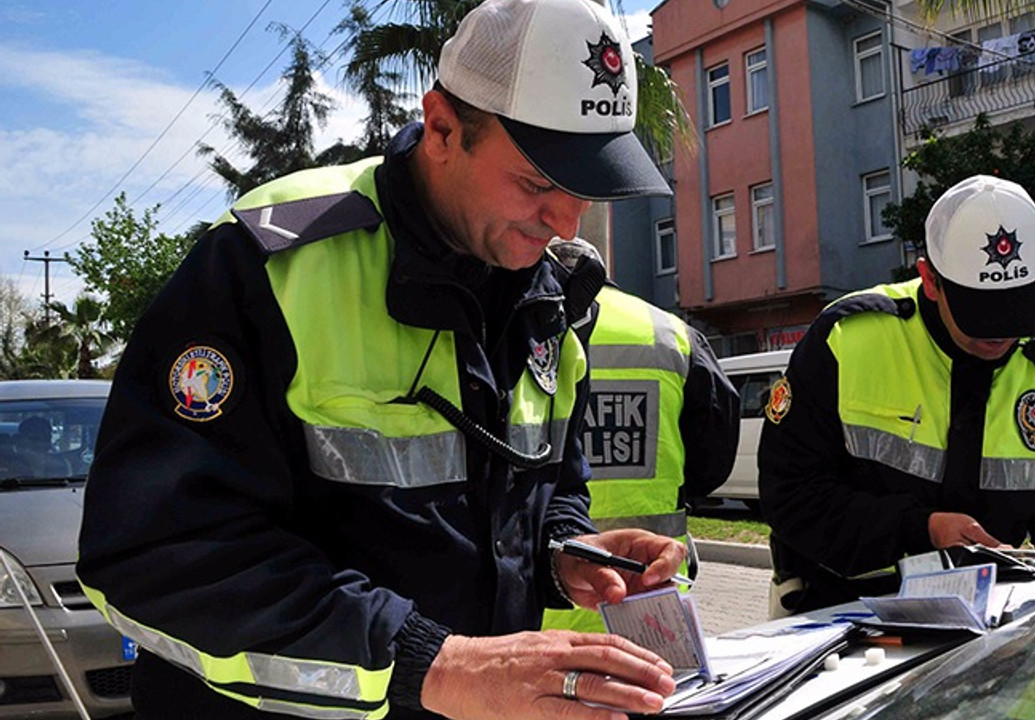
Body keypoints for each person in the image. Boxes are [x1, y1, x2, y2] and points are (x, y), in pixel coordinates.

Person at [75, 0, 689, 718]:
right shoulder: (269, 266)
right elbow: (156, 556)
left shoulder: (545, 296)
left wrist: (563, 553)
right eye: (535, 181)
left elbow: (550, 486)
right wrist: (435, 662)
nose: (566, 220)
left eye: (586, 189)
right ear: (441, 128)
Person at [758, 175, 1035, 616]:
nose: (1003, 333)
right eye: (983, 314)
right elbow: (789, 496)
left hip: (993, 622)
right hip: (838, 612)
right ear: (930, 279)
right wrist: (921, 529)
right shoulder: (847, 340)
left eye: (1021, 308)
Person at [543, 238, 741, 633]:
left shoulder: (518, 329)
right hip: (649, 601)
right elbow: (712, 463)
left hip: (542, 609)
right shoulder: (672, 333)